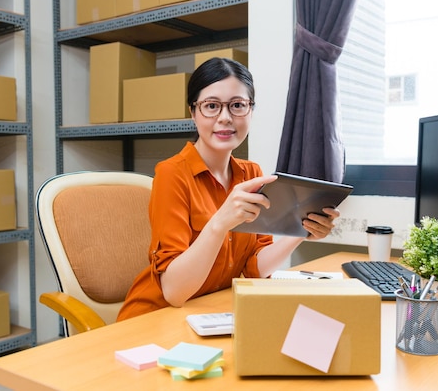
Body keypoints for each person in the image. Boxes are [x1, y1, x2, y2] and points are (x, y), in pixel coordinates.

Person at [117, 57, 340, 321]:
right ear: (193, 112)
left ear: (250, 111)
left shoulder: (251, 174)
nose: (225, 118)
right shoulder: (171, 174)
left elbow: (255, 268)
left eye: (237, 106)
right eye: (211, 106)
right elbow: (174, 292)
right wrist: (220, 222)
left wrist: (300, 229)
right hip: (156, 317)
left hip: (212, 315)